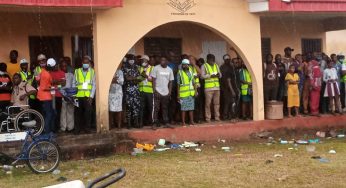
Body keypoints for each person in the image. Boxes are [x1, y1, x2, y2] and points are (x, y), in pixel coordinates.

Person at [73, 56, 96, 134]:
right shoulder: (77, 71)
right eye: (84, 63)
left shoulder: (92, 72)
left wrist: (91, 96)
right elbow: (73, 83)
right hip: (78, 96)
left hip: (87, 96)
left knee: (88, 113)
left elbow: (94, 85)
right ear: (82, 63)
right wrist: (74, 95)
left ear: (89, 63)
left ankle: (87, 129)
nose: (85, 64)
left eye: (87, 63)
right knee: (77, 114)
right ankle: (77, 129)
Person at [151, 56, 174, 129]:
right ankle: (154, 123)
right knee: (156, 108)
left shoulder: (170, 70)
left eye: (164, 60)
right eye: (161, 60)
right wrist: (154, 90)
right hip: (157, 91)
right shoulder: (156, 68)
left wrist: (169, 92)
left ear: (167, 61)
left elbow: (170, 82)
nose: (162, 61)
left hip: (166, 92)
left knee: (165, 108)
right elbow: (153, 80)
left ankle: (166, 122)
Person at [37, 58, 55, 134]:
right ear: (51, 66)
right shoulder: (46, 74)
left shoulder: (43, 72)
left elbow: (38, 80)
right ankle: (47, 132)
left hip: (41, 96)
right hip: (46, 97)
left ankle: (45, 130)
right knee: (49, 114)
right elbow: (44, 88)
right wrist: (54, 88)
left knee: (46, 114)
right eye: (54, 66)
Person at [201, 54, 222, 123]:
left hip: (217, 88)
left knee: (217, 104)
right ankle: (208, 118)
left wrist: (219, 75)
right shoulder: (204, 66)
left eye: (213, 60)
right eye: (211, 60)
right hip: (208, 88)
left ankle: (217, 117)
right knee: (208, 104)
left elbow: (220, 75)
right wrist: (210, 76)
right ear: (207, 60)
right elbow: (202, 76)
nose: (212, 61)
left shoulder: (216, 65)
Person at [122, 55, 141, 129]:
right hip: (128, 91)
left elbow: (140, 79)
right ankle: (129, 124)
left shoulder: (137, 67)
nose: (131, 60)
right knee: (128, 107)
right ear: (127, 60)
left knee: (136, 106)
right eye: (130, 59)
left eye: (132, 59)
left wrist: (134, 78)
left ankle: (136, 123)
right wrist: (135, 78)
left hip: (136, 90)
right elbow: (127, 78)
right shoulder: (124, 68)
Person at [177, 59, 197, 126]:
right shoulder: (179, 73)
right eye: (184, 64)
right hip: (183, 94)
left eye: (187, 64)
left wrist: (195, 91)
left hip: (191, 93)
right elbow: (178, 85)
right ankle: (183, 122)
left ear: (188, 65)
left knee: (191, 108)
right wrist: (178, 95)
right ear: (182, 65)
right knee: (183, 109)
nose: (185, 66)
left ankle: (191, 121)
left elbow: (194, 83)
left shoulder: (191, 72)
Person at [50, 61, 66, 132]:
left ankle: (57, 128)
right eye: (54, 65)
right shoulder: (50, 73)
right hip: (51, 96)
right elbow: (50, 82)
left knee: (58, 112)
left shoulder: (62, 73)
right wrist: (58, 81)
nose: (56, 66)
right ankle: (53, 128)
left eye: (57, 65)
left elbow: (63, 83)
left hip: (59, 95)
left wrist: (55, 82)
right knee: (52, 112)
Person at [59, 60, 75, 132]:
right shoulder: (59, 75)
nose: (64, 67)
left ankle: (70, 127)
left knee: (70, 112)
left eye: (65, 66)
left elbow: (73, 84)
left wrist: (71, 95)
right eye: (63, 66)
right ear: (60, 67)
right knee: (63, 112)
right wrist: (64, 95)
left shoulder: (71, 75)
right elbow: (59, 87)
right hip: (62, 96)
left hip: (70, 95)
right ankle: (63, 127)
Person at [139, 55, 154, 127]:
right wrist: (142, 76)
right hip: (141, 90)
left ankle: (150, 121)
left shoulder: (152, 68)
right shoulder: (140, 68)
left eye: (143, 60)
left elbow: (152, 79)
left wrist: (146, 76)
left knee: (150, 107)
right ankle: (141, 122)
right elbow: (138, 78)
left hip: (149, 91)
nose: (142, 61)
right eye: (142, 60)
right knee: (142, 107)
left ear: (147, 60)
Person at [220, 54, 236, 120]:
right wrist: (232, 91)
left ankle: (227, 115)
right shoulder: (227, 68)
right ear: (224, 60)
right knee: (228, 102)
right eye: (227, 59)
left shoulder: (224, 66)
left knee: (228, 102)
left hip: (226, 87)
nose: (228, 60)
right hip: (227, 88)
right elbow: (228, 80)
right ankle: (226, 116)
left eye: (229, 59)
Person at [109, 64, 124, 129]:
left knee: (119, 110)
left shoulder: (120, 72)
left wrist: (113, 80)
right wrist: (114, 80)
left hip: (118, 93)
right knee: (111, 110)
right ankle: (110, 125)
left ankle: (119, 125)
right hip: (111, 93)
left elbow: (122, 82)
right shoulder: (109, 71)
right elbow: (108, 81)